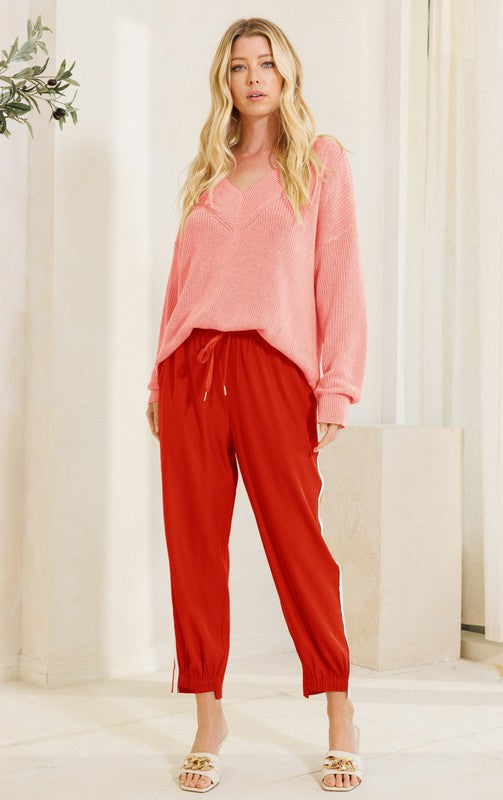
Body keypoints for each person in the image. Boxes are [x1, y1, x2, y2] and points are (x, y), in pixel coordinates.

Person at [146, 16, 367, 794]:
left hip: (276, 373)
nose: (253, 77)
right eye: (239, 66)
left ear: (287, 72)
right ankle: (208, 717)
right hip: (191, 373)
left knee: (298, 546)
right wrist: (157, 381)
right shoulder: (207, 171)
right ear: (225, 80)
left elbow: (340, 279)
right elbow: (180, 285)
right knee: (194, 550)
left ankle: (339, 712)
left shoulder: (319, 161)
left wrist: (336, 386)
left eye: (266, 63)